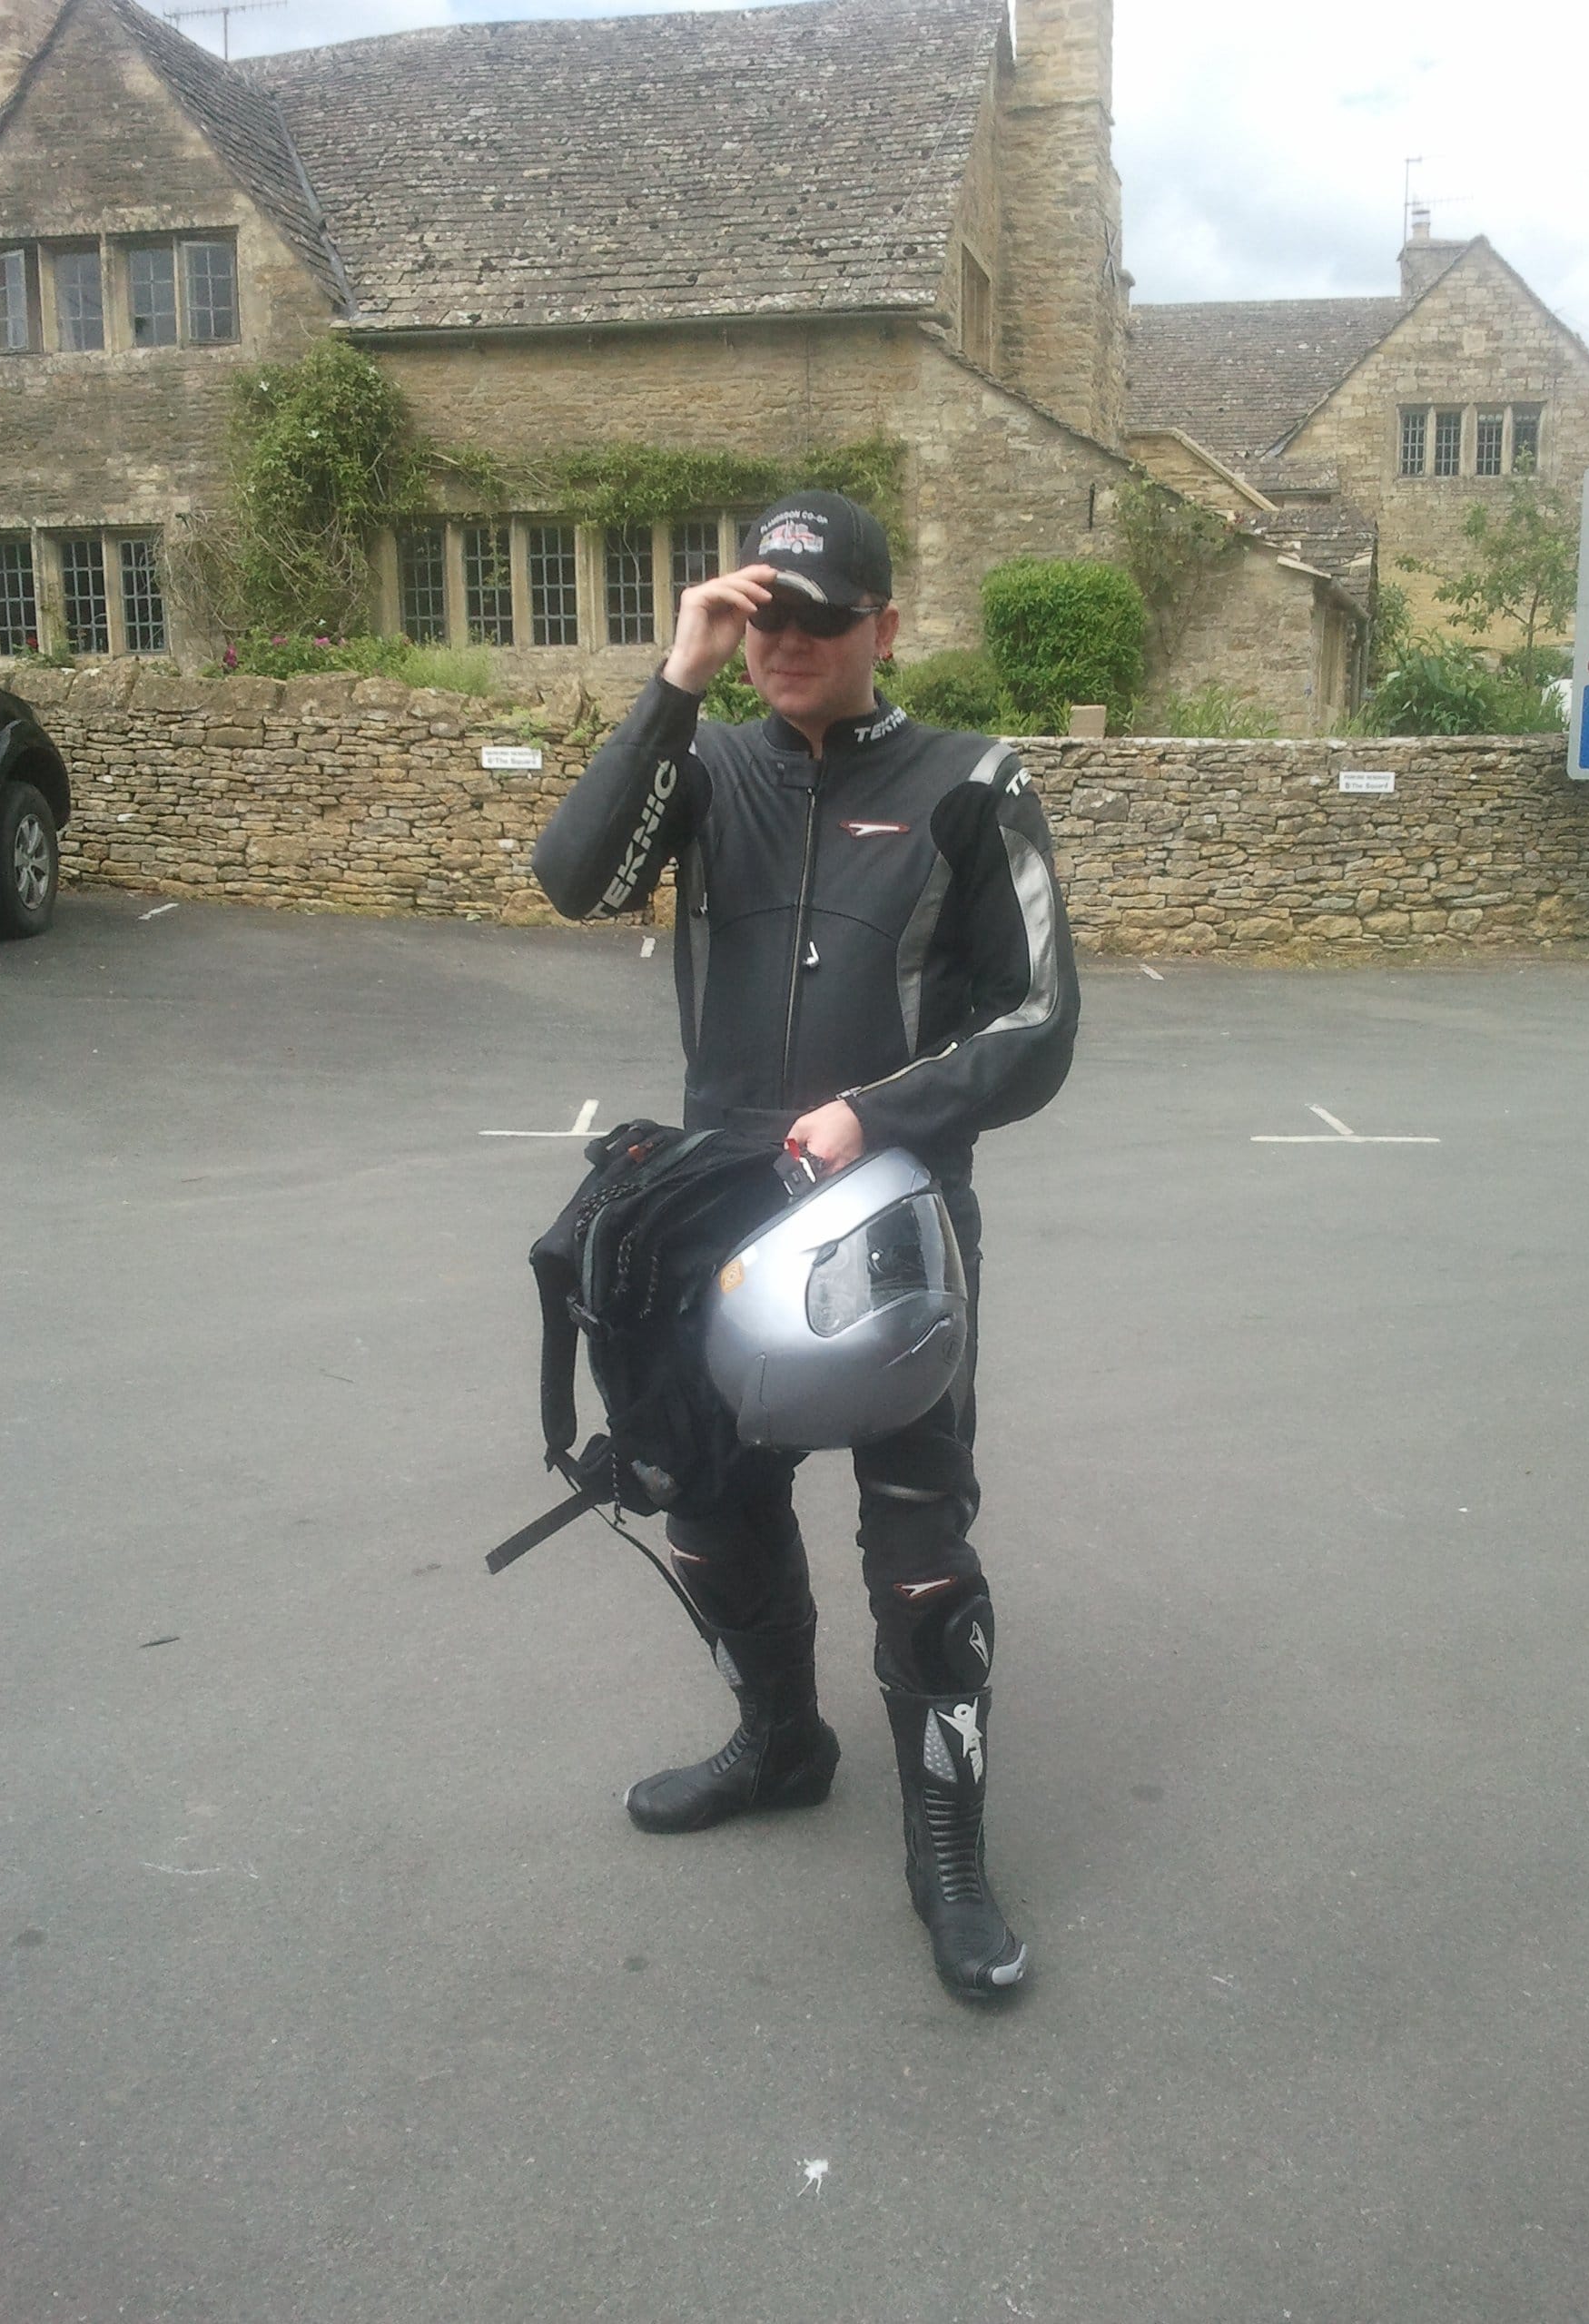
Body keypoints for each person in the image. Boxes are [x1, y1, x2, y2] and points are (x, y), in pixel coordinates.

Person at [531, 492, 1078, 1998]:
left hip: (890, 1216)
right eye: (765, 614)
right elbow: (573, 875)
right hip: (722, 1213)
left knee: (920, 1558)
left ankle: (947, 1856)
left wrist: (877, 1109)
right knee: (708, 1511)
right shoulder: (705, 767)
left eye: (818, 622)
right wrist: (676, 675)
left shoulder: (974, 783)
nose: (785, 643)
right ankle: (781, 1747)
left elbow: (1041, 1027)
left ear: (885, 631)